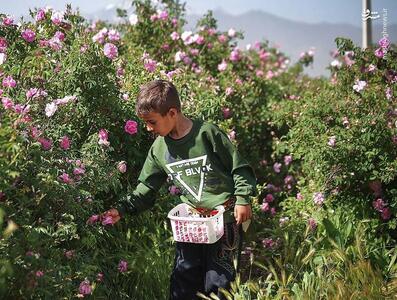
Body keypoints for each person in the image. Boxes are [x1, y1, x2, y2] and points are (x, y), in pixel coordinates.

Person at [103, 79, 257, 299]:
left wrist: (243, 198)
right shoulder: (159, 148)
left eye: (152, 122)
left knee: (219, 284)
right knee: (183, 283)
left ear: (172, 113)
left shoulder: (206, 134)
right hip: (190, 225)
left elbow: (238, 166)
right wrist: (122, 209)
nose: (148, 128)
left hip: (224, 222)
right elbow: (146, 187)